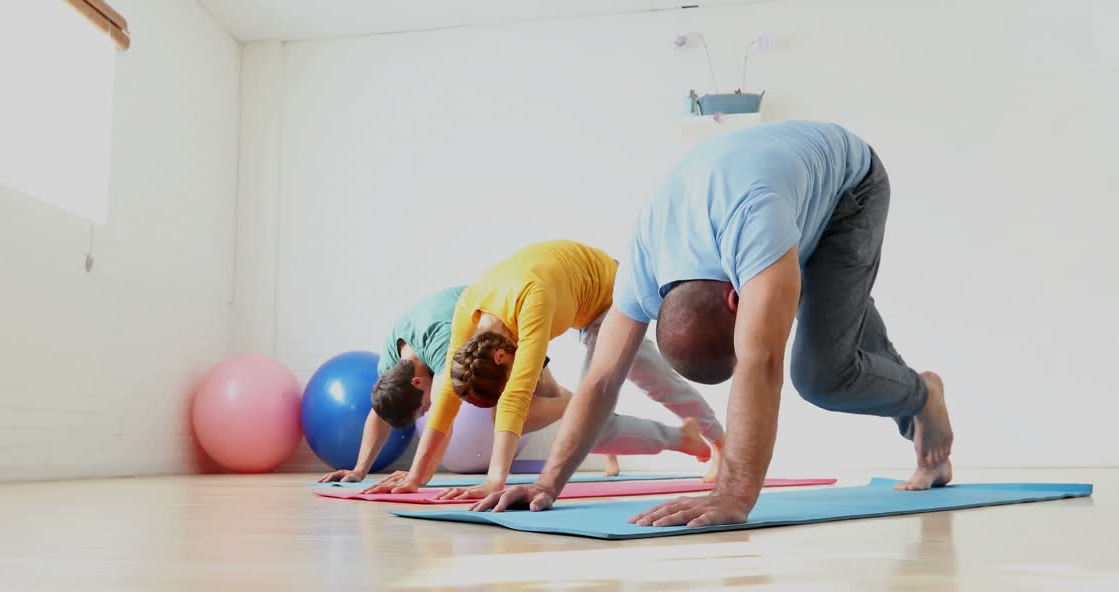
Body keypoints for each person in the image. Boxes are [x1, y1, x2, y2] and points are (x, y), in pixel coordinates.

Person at [473, 121, 954, 527]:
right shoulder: (641, 270)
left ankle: (922, 396)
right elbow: (600, 381)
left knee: (821, 375)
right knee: (833, 326)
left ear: (736, 298)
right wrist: (546, 485)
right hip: (775, 185)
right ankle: (920, 401)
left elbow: (761, 362)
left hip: (850, 187)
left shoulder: (755, 228)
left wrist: (734, 493)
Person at [363, 239, 726, 501]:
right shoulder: (468, 309)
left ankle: (721, 443)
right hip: (580, 304)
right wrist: (416, 477)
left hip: (612, 294)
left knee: (646, 387)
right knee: (589, 426)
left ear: (502, 358)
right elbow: (445, 399)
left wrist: (495, 481)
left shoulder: (532, 304)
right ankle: (685, 438)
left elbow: (516, 398)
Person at [318, 286, 622, 483]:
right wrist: (359, 470)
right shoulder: (390, 367)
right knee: (541, 403)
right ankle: (591, 412)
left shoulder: (440, 348)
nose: (426, 412)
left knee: (542, 397)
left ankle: (591, 412)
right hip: (480, 330)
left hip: (506, 322)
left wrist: (415, 477)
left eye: (422, 408)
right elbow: (378, 414)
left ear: (418, 382)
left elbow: (444, 421)